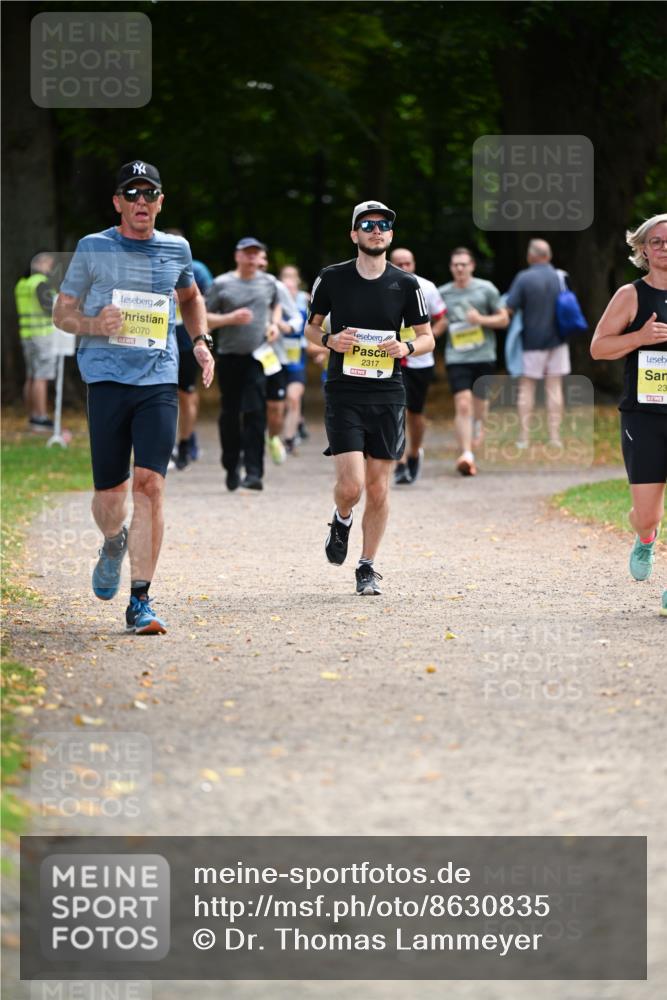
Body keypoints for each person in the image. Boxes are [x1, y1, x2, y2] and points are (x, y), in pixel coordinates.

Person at [53, 160, 215, 635]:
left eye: (150, 194)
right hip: (105, 379)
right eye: (133, 194)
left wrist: (201, 343)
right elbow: (63, 314)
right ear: (118, 202)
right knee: (110, 495)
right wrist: (92, 324)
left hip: (158, 380)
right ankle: (111, 542)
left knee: (150, 485)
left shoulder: (176, 248)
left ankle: (140, 599)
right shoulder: (93, 247)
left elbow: (189, 298)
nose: (142, 202)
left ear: (161, 202)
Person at [305, 200, 434, 595]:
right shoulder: (331, 279)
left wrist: (406, 349)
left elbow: (427, 337)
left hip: (389, 392)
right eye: (367, 224)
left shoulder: (406, 284)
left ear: (391, 235)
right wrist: (329, 340)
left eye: (383, 225)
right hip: (344, 391)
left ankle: (366, 566)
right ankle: (341, 517)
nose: (376, 230)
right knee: (352, 486)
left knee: (379, 488)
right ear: (354, 234)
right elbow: (308, 331)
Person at [590, 213, 667, 617]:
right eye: (656, 241)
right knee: (648, 513)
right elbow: (598, 348)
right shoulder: (630, 296)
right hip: (644, 416)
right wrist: (640, 337)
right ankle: (645, 536)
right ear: (642, 249)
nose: (665, 248)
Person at [206, 238, 280, 491]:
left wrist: (273, 325)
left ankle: (255, 471)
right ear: (237, 256)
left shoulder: (269, 282)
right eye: (247, 253)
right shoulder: (222, 283)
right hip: (229, 357)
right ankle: (231, 464)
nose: (251, 258)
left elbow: (275, 306)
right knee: (230, 414)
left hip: (258, 357)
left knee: (256, 412)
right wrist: (229, 318)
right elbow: (203, 318)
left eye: (256, 253)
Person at [438, 247, 508, 476]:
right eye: (455, 264)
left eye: (464, 264)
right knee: (463, 403)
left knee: (480, 407)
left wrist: (480, 319)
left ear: (472, 266)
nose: (459, 268)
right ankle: (466, 454)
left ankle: (478, 426)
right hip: (456, 356)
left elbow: (503, 319)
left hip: (483, 355)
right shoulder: (443, 293)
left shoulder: (485, 289)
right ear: (450, 268)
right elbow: (435, 321)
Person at [389, 247, 447, 484]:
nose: (404, 268)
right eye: (399, 264)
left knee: (415, 413)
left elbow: (442, 317)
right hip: (390, 358)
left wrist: (426, 339)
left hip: (419, 361)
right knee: (395, 409)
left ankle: (414, 453)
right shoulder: (382, 285)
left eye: (408, 264)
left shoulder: (427, 287)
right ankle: (400, 462)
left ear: (414, 264)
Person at [505, 238, 570, 449]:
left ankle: (524, 437)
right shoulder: (560, 277)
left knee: (527, 389)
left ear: (530, 256)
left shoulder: (524, 278)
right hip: (558, 340)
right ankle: (555, 438)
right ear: (548, 256)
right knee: (555, 388)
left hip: (531, 342)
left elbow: (510, 306)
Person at [164, 228, 214, 470]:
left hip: (185, 340)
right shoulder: (151, 263)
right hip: (155, 339)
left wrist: (203, 339)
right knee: (161, 395)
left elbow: (205, 301)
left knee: (185, 394)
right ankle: (164, 446)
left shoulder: (198, 269)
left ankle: (185, 443)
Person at [256, 249, 303, 464]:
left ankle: (275, 437)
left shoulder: (276, 287)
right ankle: (251, 447)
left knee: (278, 405)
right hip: (248, 356)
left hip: (280, 358)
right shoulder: (230, 284)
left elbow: (296, 320)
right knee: (253, 404)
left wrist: (285, 327)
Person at [15, 252, 57, 431]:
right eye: (50, 264)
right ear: (42, 263)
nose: (51, 268)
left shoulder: (22, 284)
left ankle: (32, 416)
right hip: (42, 336)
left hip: (27, 334)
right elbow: (51, 309)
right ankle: (41, 417)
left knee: (31, 377)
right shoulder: (40, 283)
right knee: (42, 377)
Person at [278, 264, 309, 453]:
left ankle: (289, 439)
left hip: (297, 356)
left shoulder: (306, 300)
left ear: (298, 280)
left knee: (294, 397)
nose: (289, 281)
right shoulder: (273, 300)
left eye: (292, 277)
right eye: (285, 277)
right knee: (277, 402)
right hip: (275, 356)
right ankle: (274, 435)